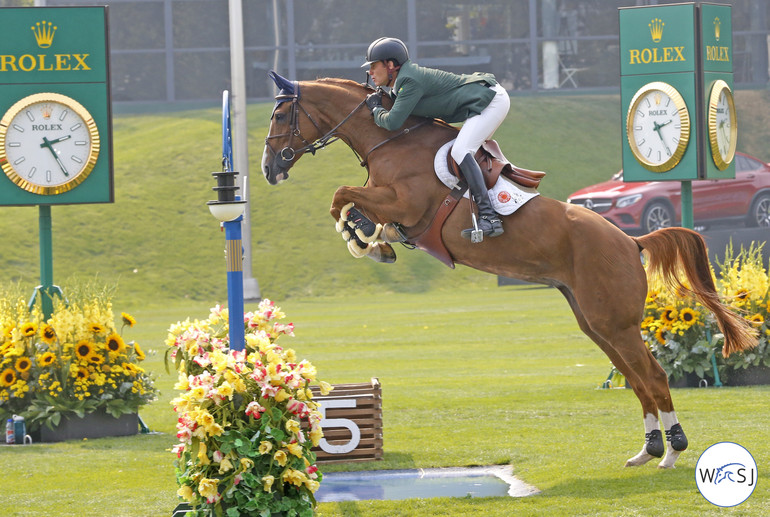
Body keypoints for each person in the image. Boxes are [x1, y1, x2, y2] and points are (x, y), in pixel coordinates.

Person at [362, 36, 509, 241]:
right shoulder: (402, 83)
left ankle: (489, 216)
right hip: (482, 101)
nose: (370, 72)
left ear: (391, 65)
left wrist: (376, 108)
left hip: (489, 102)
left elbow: (393, 123)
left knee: (460, 151)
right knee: (461, 155)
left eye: (373, 66)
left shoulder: (409, 80)